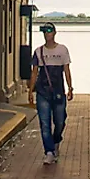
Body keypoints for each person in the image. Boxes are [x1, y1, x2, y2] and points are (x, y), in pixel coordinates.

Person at [28, 23, 73, 165]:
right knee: (44, 123)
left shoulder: (62, 50)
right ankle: (49, 151)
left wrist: (70, 87)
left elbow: (66, 70)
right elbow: (35, 72)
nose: (47, 34)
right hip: (43, 91)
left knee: (59, 121)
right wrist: (30, 90)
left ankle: (56, 141)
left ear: (54, 32)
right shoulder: (38, 51)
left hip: (58, 91)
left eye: (49, 31)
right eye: (44, 31)